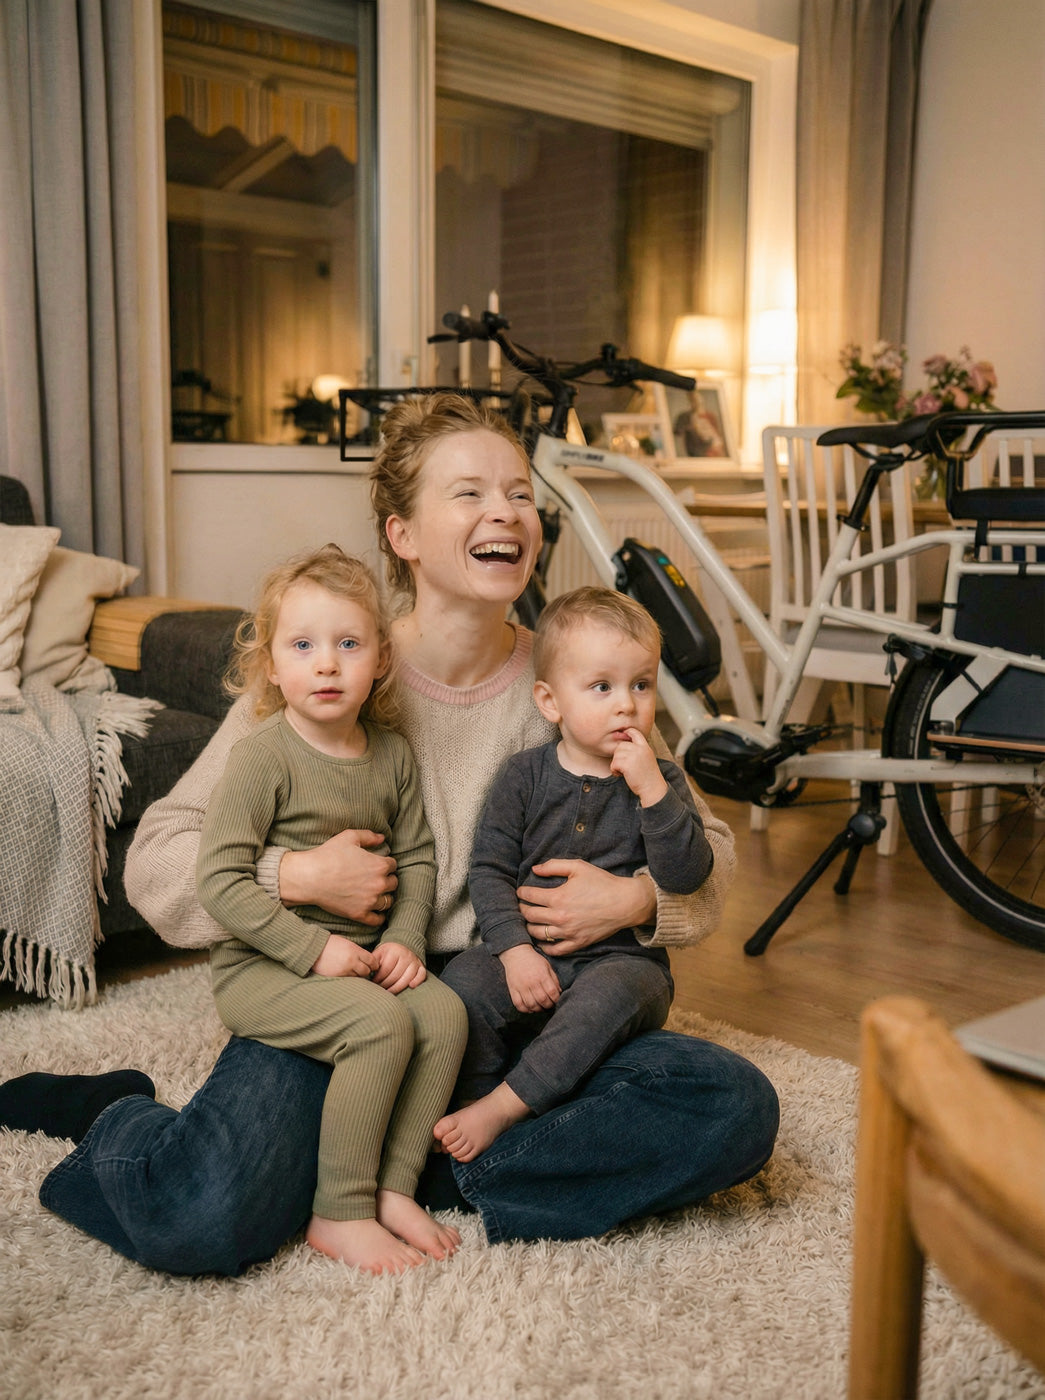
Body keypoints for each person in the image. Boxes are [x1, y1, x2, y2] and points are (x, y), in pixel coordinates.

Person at [0, 392, 779, 1276]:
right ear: (401, 534)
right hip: (356, 1000)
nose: (504, 513)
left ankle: (415, 1164)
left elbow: (707, 859)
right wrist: (294, 876)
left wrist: (635, 897)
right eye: (469, 493)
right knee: (199, 1219)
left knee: (728, 1104)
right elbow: (160, 860)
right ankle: (123, 1114)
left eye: (520, 493)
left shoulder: (579, 677)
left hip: (515, 1008)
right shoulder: (333, 668)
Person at [196, 544, 466, 1273]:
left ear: (380, 659)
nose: (325, 664)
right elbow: (219, 881)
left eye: (348, 644)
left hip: (361, 956)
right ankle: (338, 1211)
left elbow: (415, 856)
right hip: (265, 968)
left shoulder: (390, 754)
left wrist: (406, 937)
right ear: (271, 666)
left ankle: (392, 1188)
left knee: (442, 1015)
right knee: (378, 1025)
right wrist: (314, 951)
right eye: (303, 646)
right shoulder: (261, 757)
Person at [435, 587, 712, 1162]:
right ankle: (472, 1105)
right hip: (527, 954)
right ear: (550, 701)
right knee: (463, 984)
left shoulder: (661, 780)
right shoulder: (523, 776)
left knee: (610, 998)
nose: (626, 705)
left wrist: (654, 792)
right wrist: (513, 952)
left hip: (622, 963)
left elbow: (688, 875)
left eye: (641, 684)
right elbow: (488, 869)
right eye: (602, 687)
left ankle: (507, 1107)